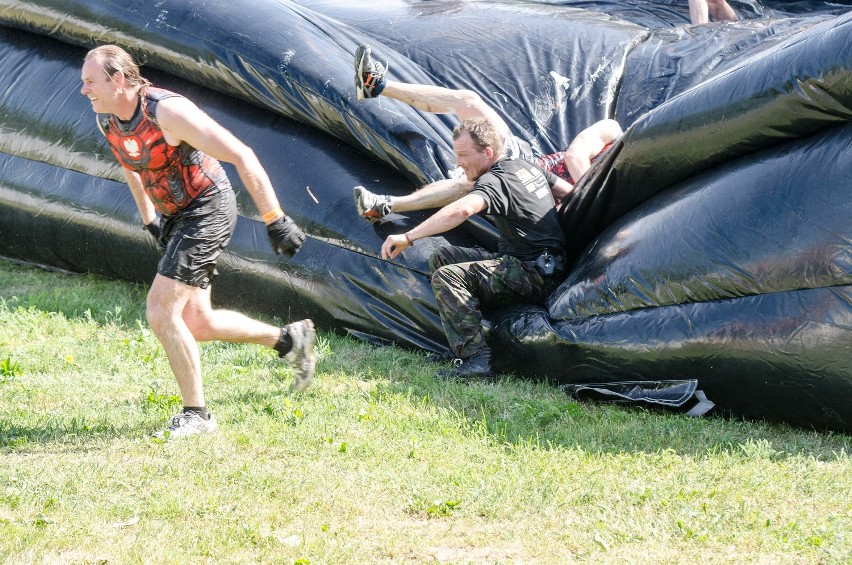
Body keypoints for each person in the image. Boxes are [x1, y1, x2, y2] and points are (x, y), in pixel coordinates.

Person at [80, 45, 317, 439]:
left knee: (160, 311)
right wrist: (150, 220)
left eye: (90, 81)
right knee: (196, 321)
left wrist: (275, 218)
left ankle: (198, 416)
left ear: (118, 79)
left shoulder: (168, 112)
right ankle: (289, 341)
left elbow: (242, 154)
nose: (83, 89)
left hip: (207, 209)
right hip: (176, 215)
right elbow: (131, 164)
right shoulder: (110, 119)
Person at [381, 118, 572, 381]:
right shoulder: (524, 166)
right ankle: (461, 348)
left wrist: (408, 236)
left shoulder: (496, 180)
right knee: (442, 257)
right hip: (539, 264)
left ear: (488, 152)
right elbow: (569, 192)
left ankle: (477, 361)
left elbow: (462, 209)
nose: (458, 163)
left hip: (534, 274)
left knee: (449, 277)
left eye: (463, 155)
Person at [352, 44, 623, 221]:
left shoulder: (628, 182)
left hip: (534, 195)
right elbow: (576, 155)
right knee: (469, 101)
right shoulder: (614, 132)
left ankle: (386, 205)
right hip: (532, 162)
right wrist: (586, 197)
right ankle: (376, 85)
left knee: (473, 181)